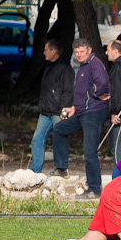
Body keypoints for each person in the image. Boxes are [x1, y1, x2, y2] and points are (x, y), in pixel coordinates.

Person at [52, 38, 110, 199]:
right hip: (81, 112)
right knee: (59, 129)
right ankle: (61, 167)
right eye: (76, 52)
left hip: (93, 112)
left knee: (89, 151)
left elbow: (103, 84)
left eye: (82, 51)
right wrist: (74, 108)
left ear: (89, 50)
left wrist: (92, 97)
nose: (79, 55)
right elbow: (81, 92)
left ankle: (94, 188)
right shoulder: (83, 66)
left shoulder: (95, 64)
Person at [29, 39, 74, 174]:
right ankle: (35, 169)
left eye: (46, 50)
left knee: (59, 140)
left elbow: (68, 91)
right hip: (45, 112)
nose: (44, 53)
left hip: (57, 112)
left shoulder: (65, 68)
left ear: (54, 51)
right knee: (37, 140)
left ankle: (61, 168)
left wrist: (64, 109)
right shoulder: (48, 67)